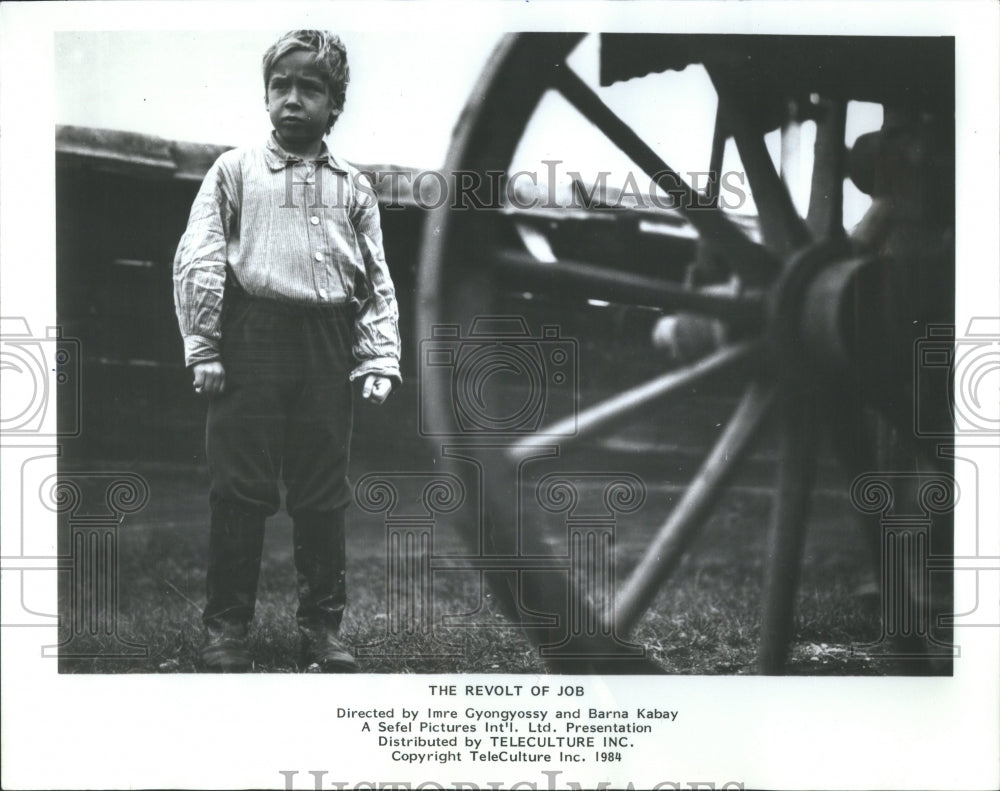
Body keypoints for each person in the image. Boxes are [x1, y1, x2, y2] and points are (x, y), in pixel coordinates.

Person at [173, 30, 401, 672]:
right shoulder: (235, 171)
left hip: (326, 346)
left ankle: (322, 632)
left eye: (311, 88)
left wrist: (378, 356)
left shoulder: (354, 189)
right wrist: (205, 346)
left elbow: (375, 279)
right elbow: (200, 256)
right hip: (252, 339)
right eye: (282, 86)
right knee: (239, 488)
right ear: (266, 95)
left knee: (322, 491)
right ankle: (226, 631)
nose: (293, 100)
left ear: (336, 104)